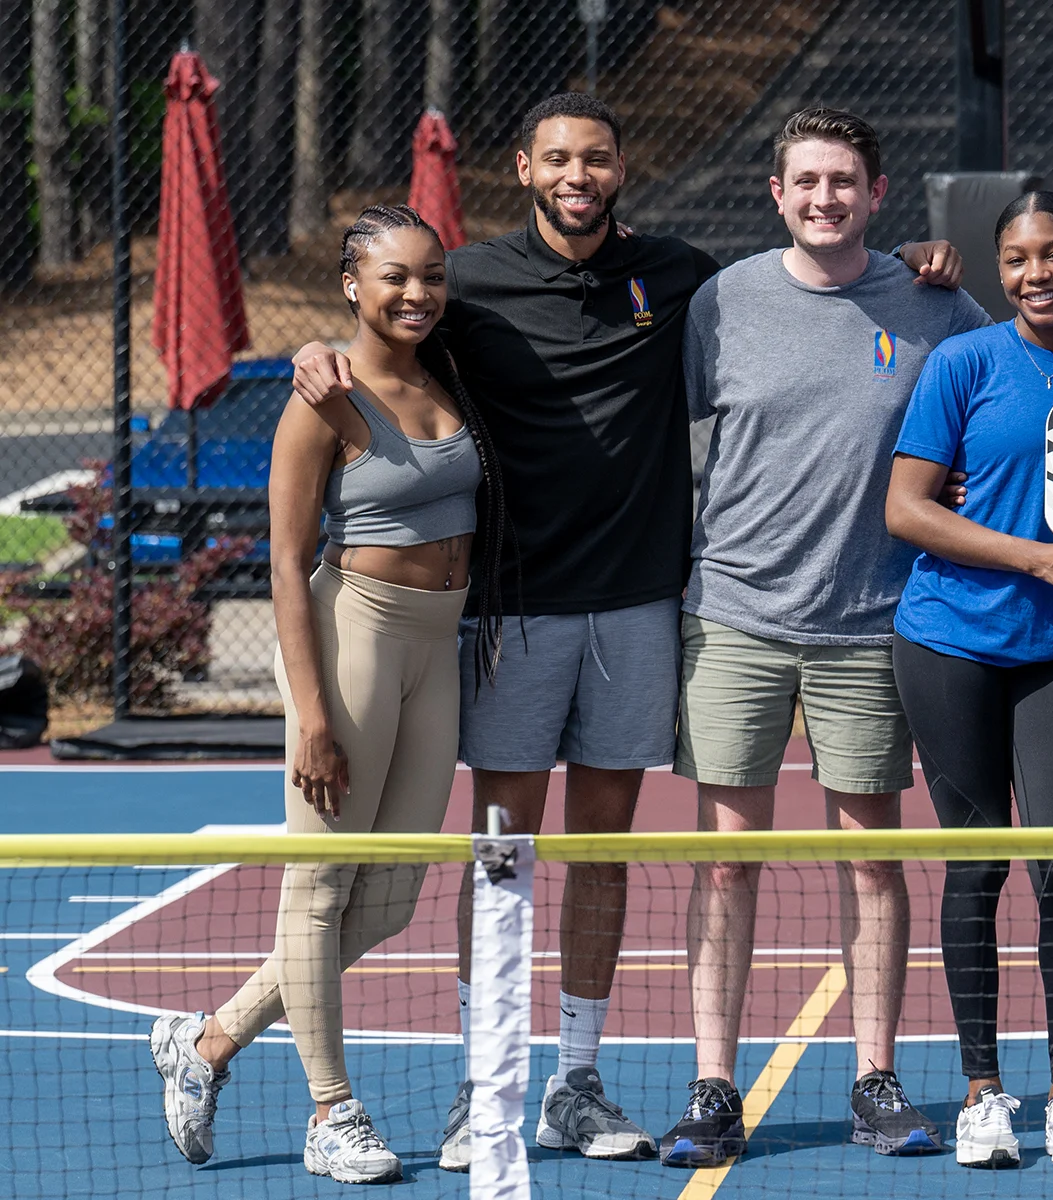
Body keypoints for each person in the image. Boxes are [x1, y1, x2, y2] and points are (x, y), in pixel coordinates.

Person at [287, 93, 967, 1170]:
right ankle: (486, 1084)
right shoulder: (467, 283)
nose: (577, 174)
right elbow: (389, 319)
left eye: (595, 157)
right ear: (523, 165)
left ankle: (578, 1080)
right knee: (501, 853)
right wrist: (318, 347)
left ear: (618, 171)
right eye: (556, 156)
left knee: (604, 854)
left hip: (643, 605)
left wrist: (931, 259)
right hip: (515, 607)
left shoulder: (688, 279)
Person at [151, 205, 506, 1184]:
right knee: (317, 892)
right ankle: (331, 1112)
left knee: (389, 897)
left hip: (442, 645)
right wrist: (310, 717)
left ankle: (209, 1040)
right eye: (394, 276)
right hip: (354, 639)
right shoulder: (320, 398)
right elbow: (284, 563)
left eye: (431, 275)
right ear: (350, 284)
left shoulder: (449, 374)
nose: (416, 293)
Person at [661, 106, 988, 1167]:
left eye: (843, 181)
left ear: (876, 193)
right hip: (736, 619)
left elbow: (1008, 387)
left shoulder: (933, 303)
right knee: (724, 865)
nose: (823, 199)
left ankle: (875, 1080)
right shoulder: (723, 302)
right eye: (805, 182)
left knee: (873, 863)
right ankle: (714, 1085)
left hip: (868, 624)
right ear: (776, 193)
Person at [884, 191, 1053, 1170]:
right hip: (946, 644)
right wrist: (1034, 560)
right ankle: (984, 1091)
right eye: (1018, 258)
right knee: (974, 863)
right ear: (999, 268)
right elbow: (905, 509)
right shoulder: (962, 363)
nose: (1036, 274)